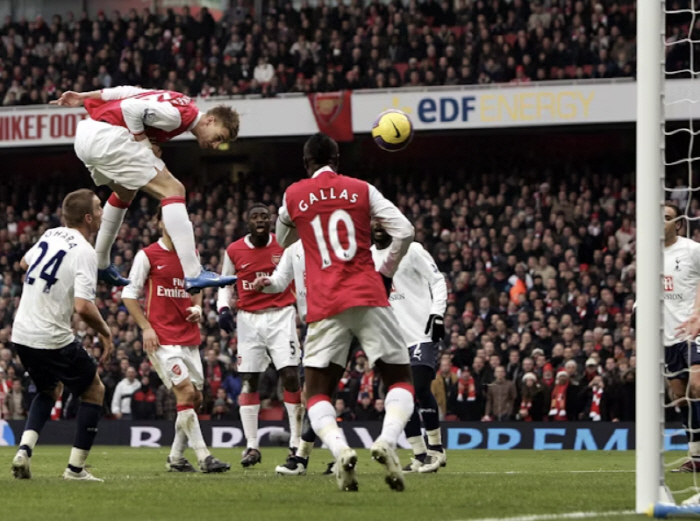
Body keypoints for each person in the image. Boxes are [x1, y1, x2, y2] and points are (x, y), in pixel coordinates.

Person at [274, 132, 415, 491]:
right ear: (337, 160)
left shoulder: (294, 194)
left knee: (318, 391)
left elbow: (281, 239)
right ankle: (386, 440)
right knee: (399, 380)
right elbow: (405, 231)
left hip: (325, 304)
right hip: (368, 293)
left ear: (306, 164)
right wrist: (385, 274)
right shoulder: (362, 189)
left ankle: (339, 450)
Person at [50, 86, 239, 293]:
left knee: (125, 191)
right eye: (219, 137)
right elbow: (131, 107)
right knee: (174, 190)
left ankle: (101, 263)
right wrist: (144, 144)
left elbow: (129, 92)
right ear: (210, 120)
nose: (216, 145)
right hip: (109, 138)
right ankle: (194, 273)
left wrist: (85, 96)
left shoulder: (180, 100)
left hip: (87, 135)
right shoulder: (178, 116)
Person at [11, 189, 114, 481]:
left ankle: (24, 451)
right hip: (51, 337)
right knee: (94, 390)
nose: (103, 211)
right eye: (99, 206)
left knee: (49, 389)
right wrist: (105, 332)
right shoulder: (85, 251)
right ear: (88, 217)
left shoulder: (51, 234)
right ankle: (75, 470)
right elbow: (83, 307)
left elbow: (24, 263)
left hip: (22, 332)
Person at [122, 209, 230, 473]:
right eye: (169, 220)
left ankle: (176, 457)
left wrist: (198, 308)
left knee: (195, 398)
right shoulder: (147, 255)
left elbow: (197, 288)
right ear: (160, 223)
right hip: (161, 338)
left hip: (189, 337)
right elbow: (128, 295)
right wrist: (146, 327)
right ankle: (205, 458)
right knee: (184, 391)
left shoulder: (190, 255)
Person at [217, 203, 303, 468]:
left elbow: (300, 277)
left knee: (289, 374)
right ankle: (252, 446)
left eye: (265, 217)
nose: (261, 220)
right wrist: (222, 308)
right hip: (248, 320)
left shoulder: (285, 245)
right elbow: (225, 282)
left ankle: (296, 443)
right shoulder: (234, 250)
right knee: (249, 381)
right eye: (255, 216)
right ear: (248, 222)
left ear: (271, 221)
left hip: (281, 315)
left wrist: (305, 308)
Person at [371, 221, 448, 473]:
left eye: (383, 220)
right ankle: (418, 454)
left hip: (420, 333)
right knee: (398, 397)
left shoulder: (411, 249)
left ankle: (436, 449)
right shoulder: (368, 257)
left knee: (420, 387)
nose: (378, 225)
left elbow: (437, 281)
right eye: (373, 221)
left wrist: (437, 314)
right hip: (391, 339)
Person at [662, 202, 700, 472]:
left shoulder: (692, 250)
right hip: (668, 336)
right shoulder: (648, 253)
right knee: (680, 397)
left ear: (678, 224)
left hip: (693, 329)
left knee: (697, 385)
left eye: (666, 217)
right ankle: (696, 455)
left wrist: (698, 313)